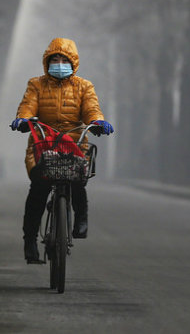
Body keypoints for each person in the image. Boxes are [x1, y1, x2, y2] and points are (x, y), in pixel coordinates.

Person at [10, 37, 114, 263]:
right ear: (46, 61)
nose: (58, 63)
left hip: (74, 143)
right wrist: (23, 120)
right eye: (54, 59)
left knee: (77, 179)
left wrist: (97, 122)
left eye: (63, 59)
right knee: (38, 189)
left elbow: (91, 109)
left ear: (73, 62)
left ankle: (81, 219)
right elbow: (27, 106)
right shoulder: (36, 84)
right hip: (43, 144)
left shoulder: (84, 86)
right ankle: (29, 240)